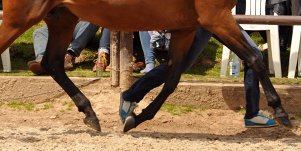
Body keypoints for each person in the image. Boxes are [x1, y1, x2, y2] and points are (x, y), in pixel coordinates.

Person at [119, 26, 278, 128]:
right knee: (178, 66)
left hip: (217, 18)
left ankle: (253, 113)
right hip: (207, 18)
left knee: (254, 55)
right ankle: (130, 96)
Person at [28, 21, 100, 75]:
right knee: (40, 32)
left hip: (84, 23)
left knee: (92, 19)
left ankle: (69, 55)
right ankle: (44, 60)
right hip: (67, 20)